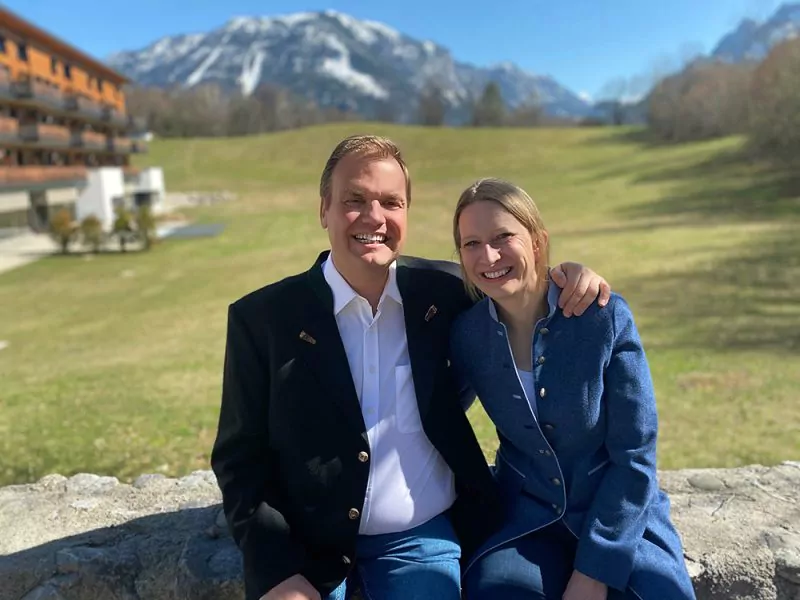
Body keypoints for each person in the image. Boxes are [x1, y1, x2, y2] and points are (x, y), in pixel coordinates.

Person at [210, 136, 611, 600]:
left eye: (390, 202)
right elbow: (239, 459)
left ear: (406, 213)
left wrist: (572, 277)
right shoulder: (261, 318)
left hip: (421, 537)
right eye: (353, 200)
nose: (373, 217)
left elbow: (517, 282)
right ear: (324, 210)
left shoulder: (446, 290)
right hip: (305, 544)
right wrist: (275, 569)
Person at [448, 177, 696, 600]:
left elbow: (635, 455)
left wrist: (595, 569)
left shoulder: (602, 317)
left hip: (617, 516)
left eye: (503, 237)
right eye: (471, 243)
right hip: (526, 520)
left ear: (538, 241)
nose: (487, 255)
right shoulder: (468, 335)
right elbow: (437, 416)